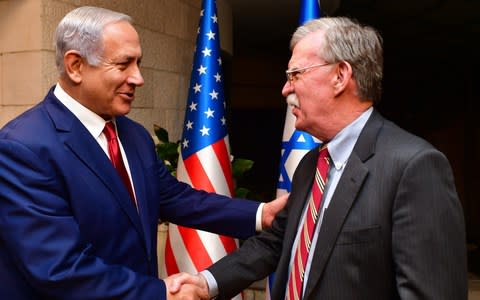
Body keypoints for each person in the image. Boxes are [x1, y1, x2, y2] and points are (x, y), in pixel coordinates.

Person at [0, 6, 288, 300]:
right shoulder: (22, 148)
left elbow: (174, 198)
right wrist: (160, 293)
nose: (138, 78)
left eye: (138, 63)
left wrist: (260, 214)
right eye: (124, 65)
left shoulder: (134, 135)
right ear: (75, 66)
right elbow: (60, 269)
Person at [171, 16, 468, 299]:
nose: (286, 88)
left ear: (340, 76)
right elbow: (276, 243)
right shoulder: (311, 165)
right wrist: (205, 283)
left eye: (295, 74)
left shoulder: (414, 167)